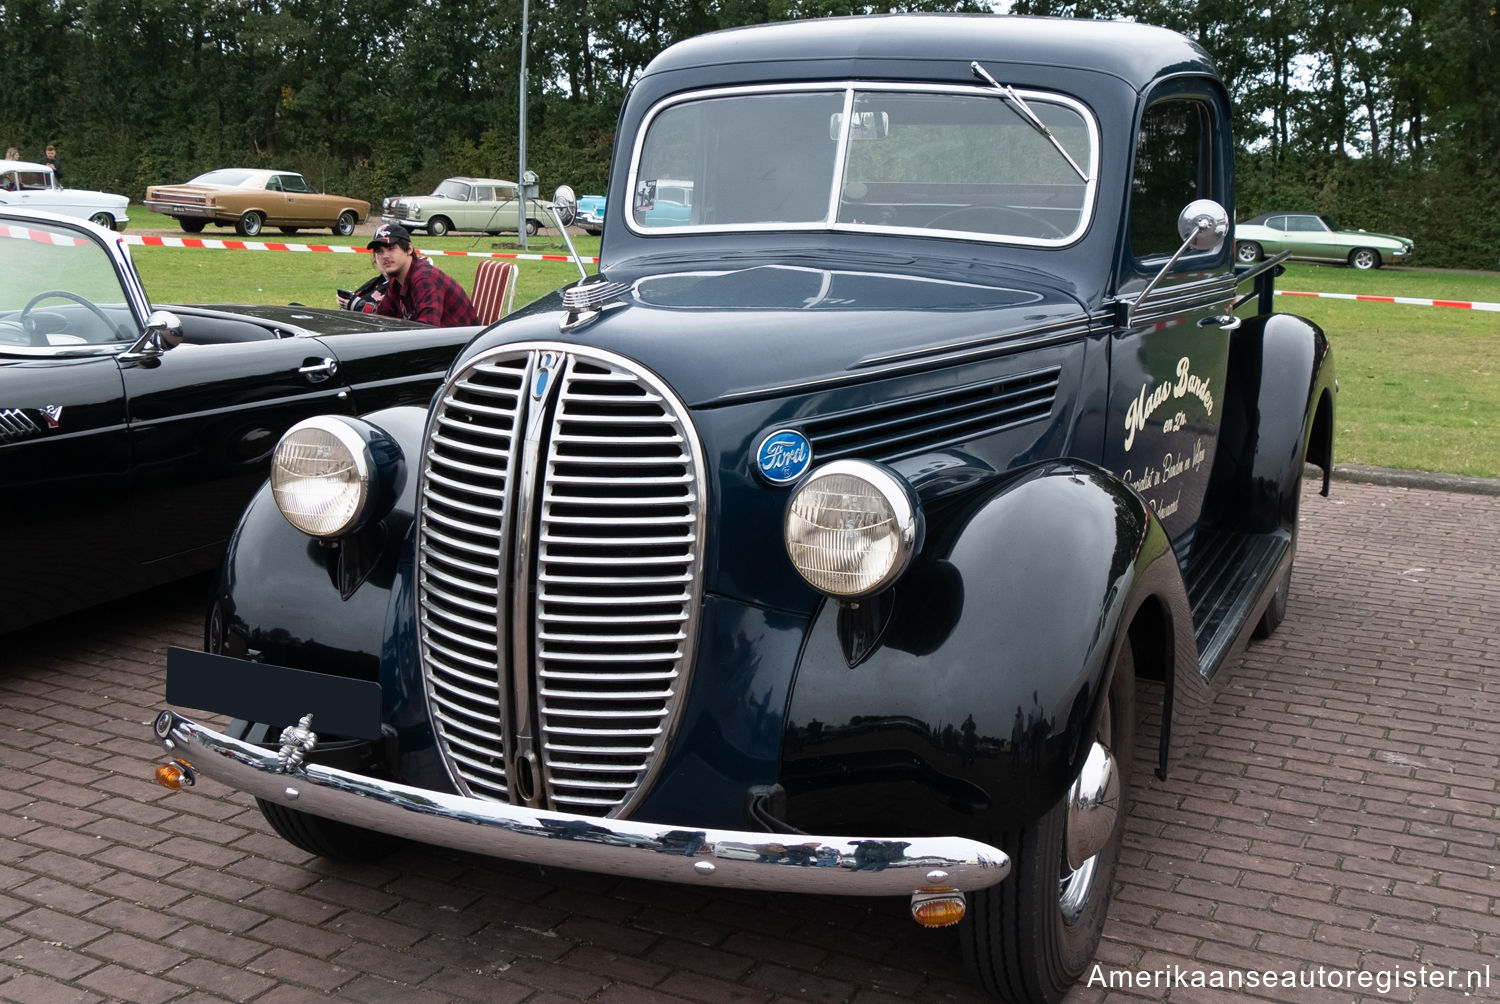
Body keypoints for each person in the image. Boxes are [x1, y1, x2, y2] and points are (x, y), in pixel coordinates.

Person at [339, 223, 478, 326]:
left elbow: (427, 329)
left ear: (409, 249)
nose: (385, 256)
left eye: (391, 248)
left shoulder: (424, 278)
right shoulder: (397, 281)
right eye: (379, 251)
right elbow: (381, 319)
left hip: (459, 355)